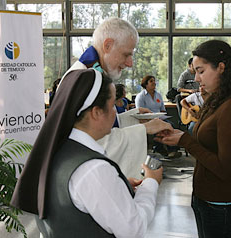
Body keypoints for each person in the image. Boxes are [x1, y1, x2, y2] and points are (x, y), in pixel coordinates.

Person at [11, 69, 167, 237]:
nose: (115, 112)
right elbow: (134, 229)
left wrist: (118, 188)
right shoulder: (93, 169)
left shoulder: (56, 150)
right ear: (96, 112)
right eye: (112, 104)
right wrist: (150, 184)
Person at [155, 40, 231, 238]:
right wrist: (177, 136)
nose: (196, 78)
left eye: (201, 71)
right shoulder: (219, 98)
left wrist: (185, 141)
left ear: (221, 68)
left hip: (223, 204)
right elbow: (209, 133)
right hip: (209, 200)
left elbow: (225, 169)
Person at [57, 17, 158, 178]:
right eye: (126, 55)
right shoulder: (87, 81)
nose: (130, 63)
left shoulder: (91, 73)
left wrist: (134, 117)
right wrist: (145, 129)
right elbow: (97, 142)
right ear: (108, 45)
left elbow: (99, 123)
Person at [135, 75, 181, 158]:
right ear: (146, 84)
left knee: (171, 126)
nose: (154, 83)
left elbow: (163, 110)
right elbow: (140, 112)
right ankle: (161, 148)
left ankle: (172, 149)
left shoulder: (158, 95)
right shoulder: (141, 97)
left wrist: (161, 115)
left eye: (154, 81)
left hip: (159, 118)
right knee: (160, 128)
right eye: (151, 81)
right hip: (147, 120)